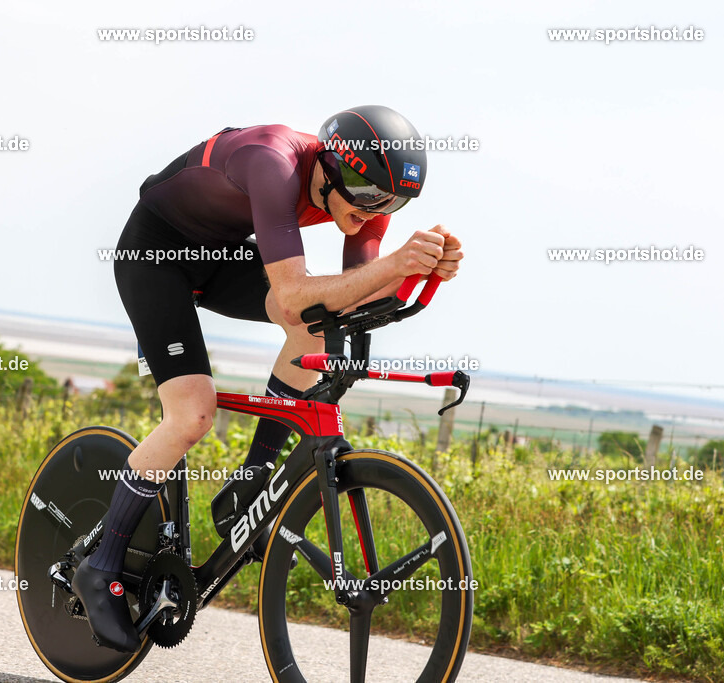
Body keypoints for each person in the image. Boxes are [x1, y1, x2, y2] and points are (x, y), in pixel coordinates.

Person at [72, 105, 464, 652]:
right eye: (366, 193)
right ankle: (100, 565)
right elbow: (290, 295)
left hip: (224, 254)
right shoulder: (272, 161)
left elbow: (352, 295)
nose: (375, 209)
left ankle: (253, 477)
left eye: (392, 203)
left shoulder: (365, 195)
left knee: (318, 331)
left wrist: (418, 271)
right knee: (192, 413)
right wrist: (396, 266)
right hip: (156, 255)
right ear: (329, 167)